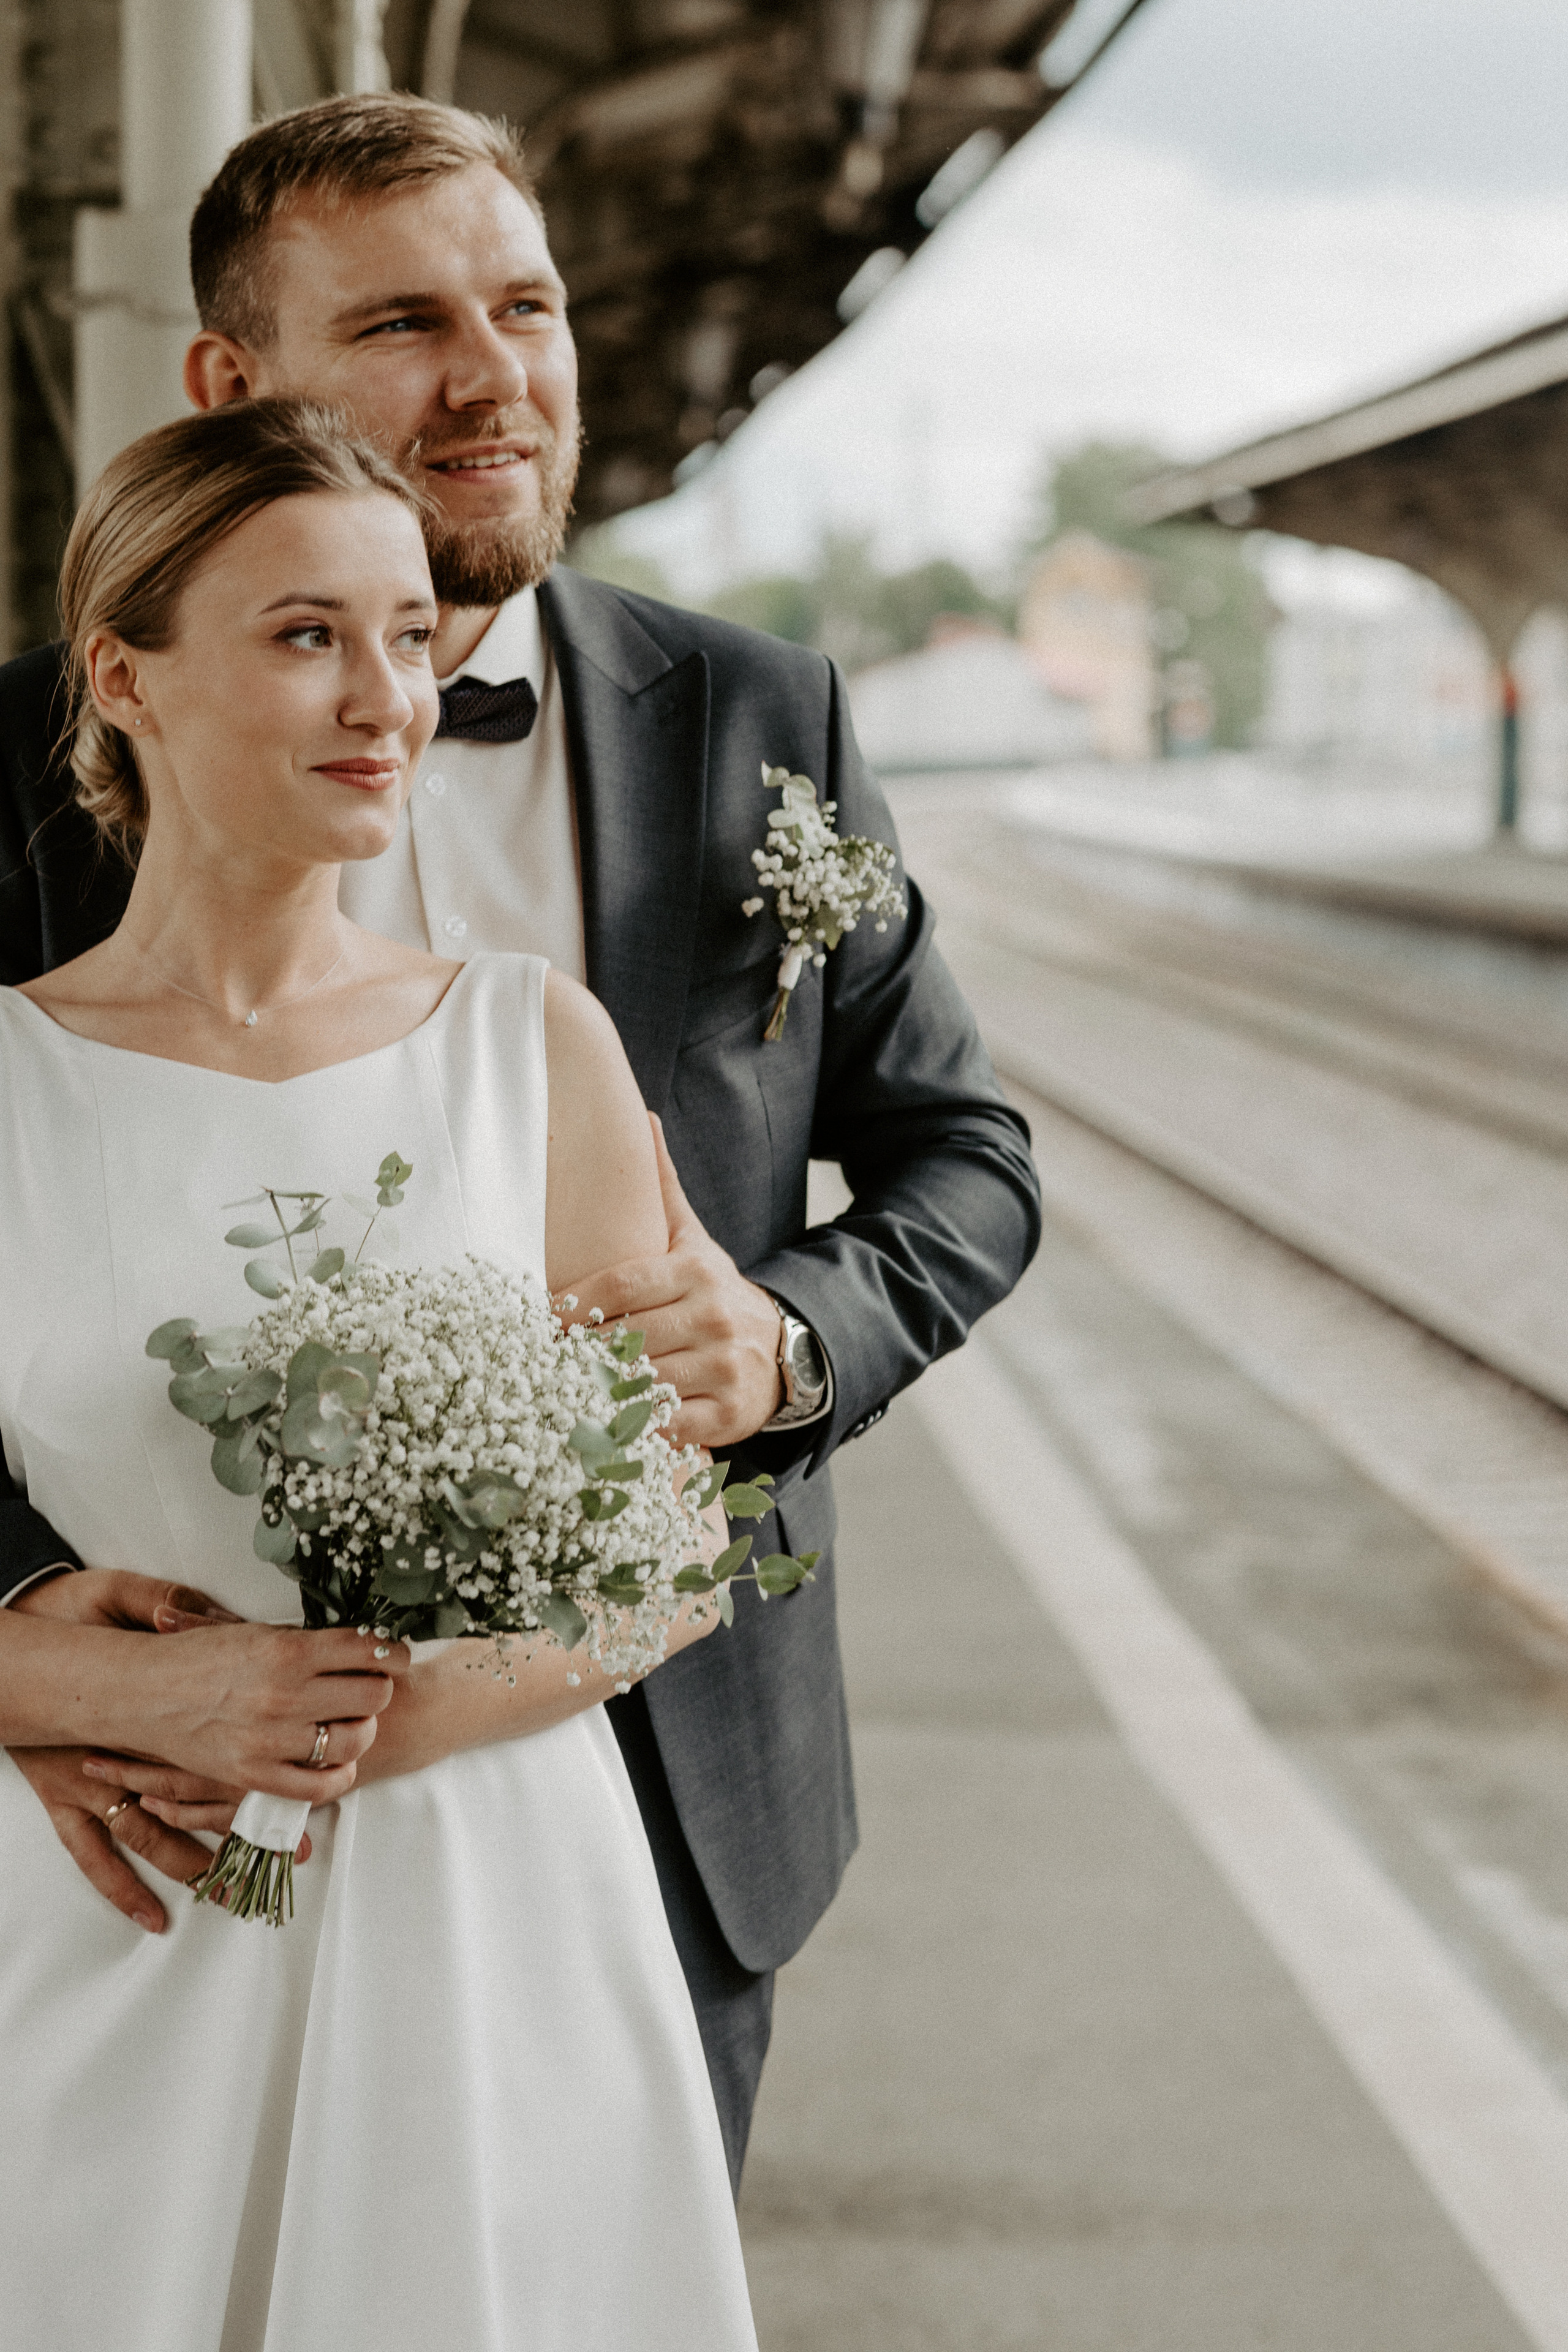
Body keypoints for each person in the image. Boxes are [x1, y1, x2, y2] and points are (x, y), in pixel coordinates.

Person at [0, 92, 1042, 2189]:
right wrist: (25, 1642)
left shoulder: (766, 724)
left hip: (670, 1800)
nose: (496, 379)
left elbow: (967, 1154)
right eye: (401, 323)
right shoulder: (24, 762)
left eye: (530, 305)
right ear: (230, 387)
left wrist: (788, 1344)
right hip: (147, 1797)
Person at [0, 397, 758, 2351]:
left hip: (488, 1904)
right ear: (125, 676)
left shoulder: (531, 1046)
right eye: (305, 634)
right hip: (114, 1911)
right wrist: (96, 1680)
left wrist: (406, 1721)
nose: (384, 699)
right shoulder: (3, 1082)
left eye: (411, 635)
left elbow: (675, 1545)